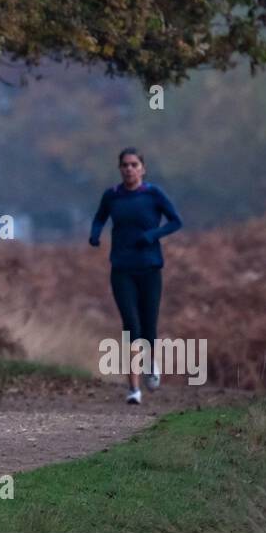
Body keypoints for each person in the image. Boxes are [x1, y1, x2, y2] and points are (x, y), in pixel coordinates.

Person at [88, 147, 182, 404]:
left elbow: (176, 221)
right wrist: (95, 234)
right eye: (125, 165)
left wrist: (152, 236)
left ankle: (151, 364)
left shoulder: (153, 195)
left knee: (149, 327)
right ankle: (134, 389)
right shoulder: (112, 196)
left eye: (134, 164)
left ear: (143, 168)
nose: (129, 169)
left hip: (150, 268)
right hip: (121, 269)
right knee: (132, 326)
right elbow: (100, 218)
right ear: (119, 169)